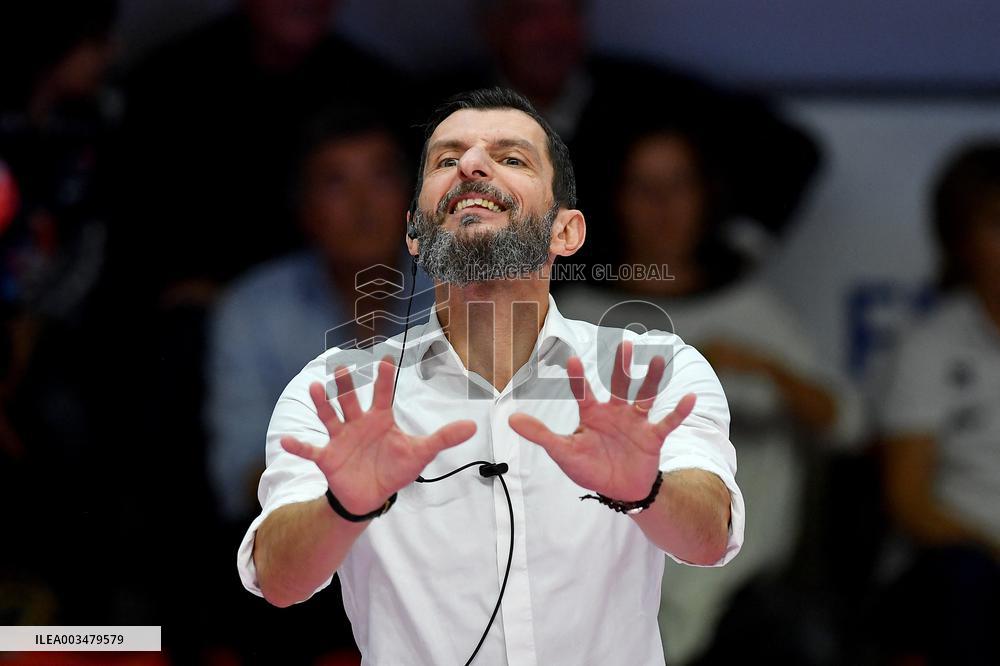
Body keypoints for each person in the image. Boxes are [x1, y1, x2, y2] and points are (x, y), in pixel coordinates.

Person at [237, 87, 745, 665]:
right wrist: (343, 506)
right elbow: (278, 581)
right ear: (414, 235)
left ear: (566, 232)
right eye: (447, 161)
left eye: (510, 159)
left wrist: (646, 491)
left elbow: (708, 541)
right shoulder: (336, 390)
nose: (472, 166)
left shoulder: (649, 371)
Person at [556, 124, 863, 663]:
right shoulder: (573, 310)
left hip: (747, 590)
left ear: (706, 198)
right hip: (605, 575)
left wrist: (769, 371)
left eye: (679, 186)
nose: (663, 207)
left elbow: (850, 425)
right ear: (612, 200)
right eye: (643, 188)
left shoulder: (755, 312)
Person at [208, 106, 434, 526]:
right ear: (305, 209)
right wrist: (347, 485)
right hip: (306, 535)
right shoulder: (254, 309)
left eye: (381, 178)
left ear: (411, 198)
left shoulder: (457, 295)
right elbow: (240, 475)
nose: (363, 205)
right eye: (336, 183)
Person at [876, 142, 1000, 666]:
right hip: (961, 564)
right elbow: (909, 502)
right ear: (961, 240)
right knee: (965, 582)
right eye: (996, 223)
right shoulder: (929, 345)